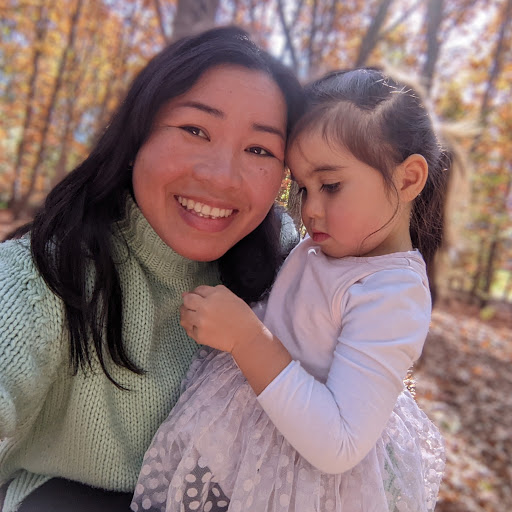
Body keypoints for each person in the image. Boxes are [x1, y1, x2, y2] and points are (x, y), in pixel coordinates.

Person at [0, 26, 305, 512]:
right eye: (195, 130)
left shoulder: (291, 264)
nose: (221, 177)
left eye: (259, 150)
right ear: (137, 136)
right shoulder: (44, 276)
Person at [132, 68, 447, 512]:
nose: (310, 209)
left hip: (299, 483)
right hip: (246, 450)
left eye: (331, 186)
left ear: (408, 179)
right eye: (303, 187)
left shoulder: (393, 294)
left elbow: (339, 443)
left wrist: (246, 338)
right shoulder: (330, 246)